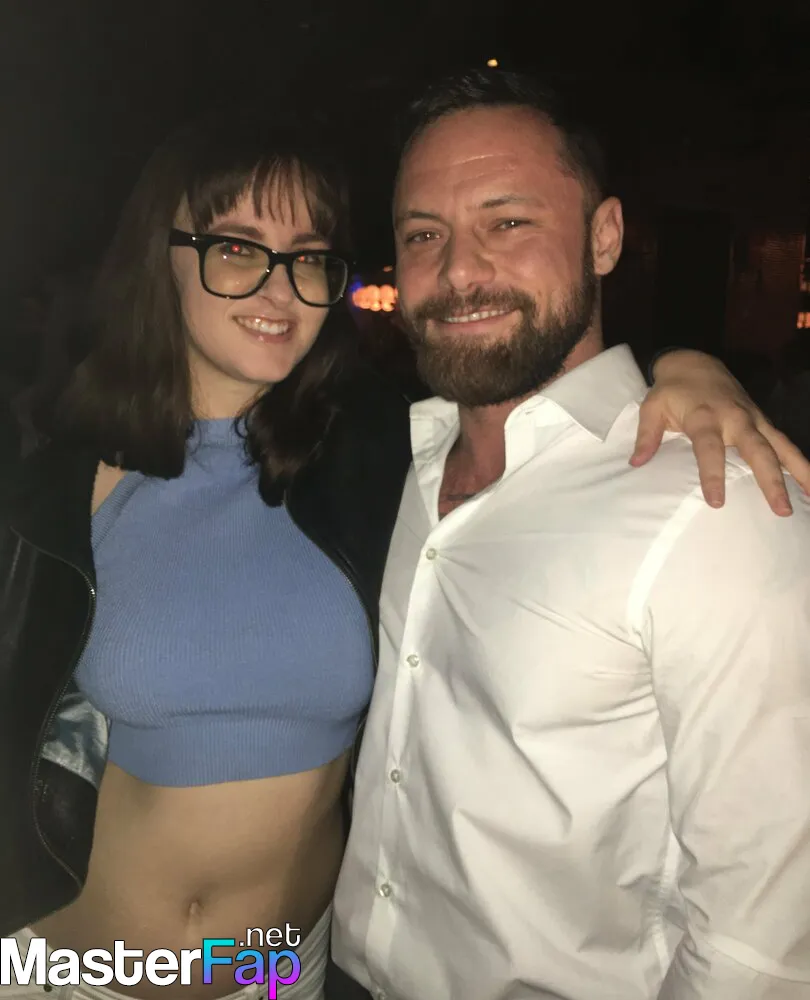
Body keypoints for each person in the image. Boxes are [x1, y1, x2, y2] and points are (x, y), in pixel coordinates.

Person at [0, 103, 805, 1000]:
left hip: (283, 976)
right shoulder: (61, 486)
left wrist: (690, 366)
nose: (278, 290)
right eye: (236, 249)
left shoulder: (375, 456)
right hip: (71, 969)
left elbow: (533, 400)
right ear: (164, 258)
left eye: (308, 258)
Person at [329, 70, 810, 1000]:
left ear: (605, 237)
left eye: (507, 222)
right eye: (423, 235)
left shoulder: (718, 509)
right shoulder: (387, 460)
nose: (458, 271)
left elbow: (764, 943)